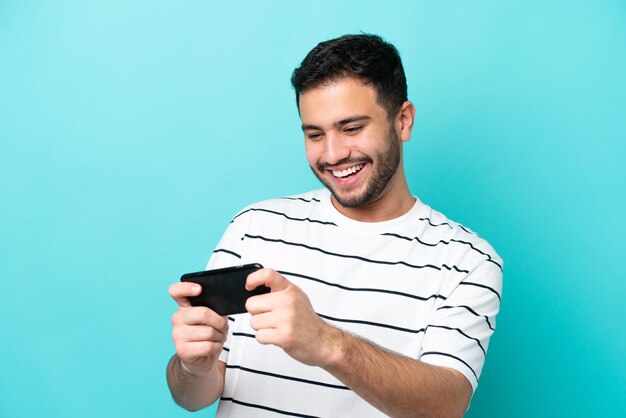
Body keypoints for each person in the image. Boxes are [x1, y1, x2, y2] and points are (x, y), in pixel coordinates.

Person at [167, 34, 502, 418]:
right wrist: (193, 367)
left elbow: (445, 406)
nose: (333, 154)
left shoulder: (467, 261)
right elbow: (191, 396)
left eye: (352, 128)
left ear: (403, 120)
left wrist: (325, 341)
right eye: (315, 134)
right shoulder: (254, 227)